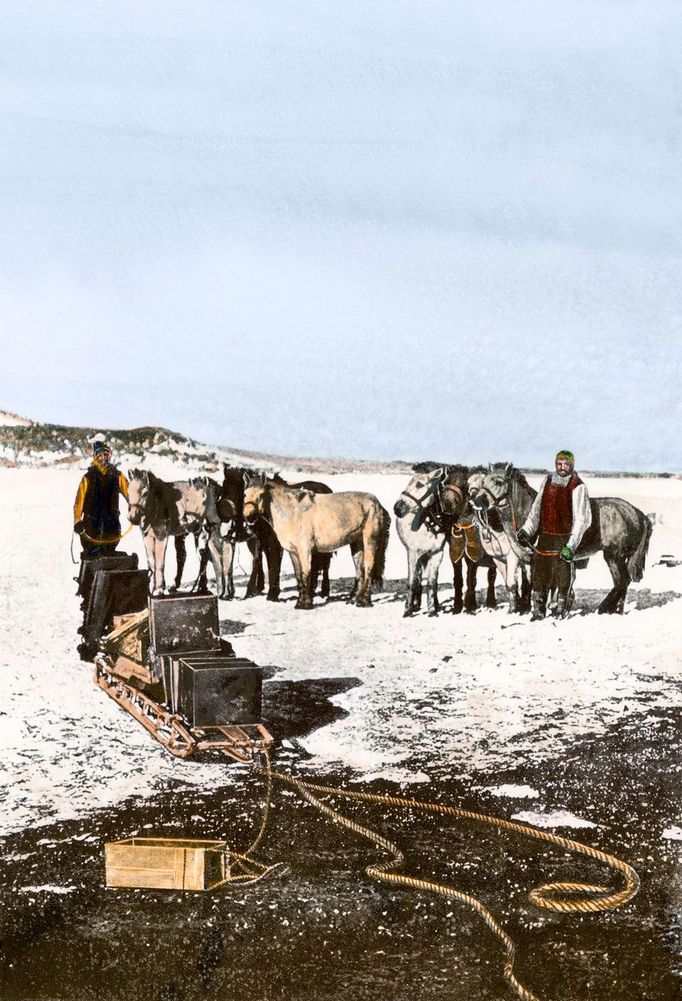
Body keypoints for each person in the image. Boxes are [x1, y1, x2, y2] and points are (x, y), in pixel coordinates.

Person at [516, 450, 591, 620]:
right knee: (539, 574)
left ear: (572, 465)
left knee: (562, 575)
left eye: (566, 464)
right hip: (545, 537)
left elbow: (582, 520)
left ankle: (560, 608)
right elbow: (536, 510)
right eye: (559, 464)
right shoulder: (547, 481)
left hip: (565, 538)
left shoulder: (578, 486)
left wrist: (571, 546)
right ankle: (538, 610)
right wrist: (527, 530)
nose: (562, 467)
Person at [73, 439, 129, 558]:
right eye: (100, 455)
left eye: (106, 455)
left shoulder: (118, 476)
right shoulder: (87, 478)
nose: (103, 458)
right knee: (92, 555)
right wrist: (77, 521)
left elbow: (131, 495)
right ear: (95, 458)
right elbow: (79, 502)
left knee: (109, 553)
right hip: (91, 526)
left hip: (112, 525)